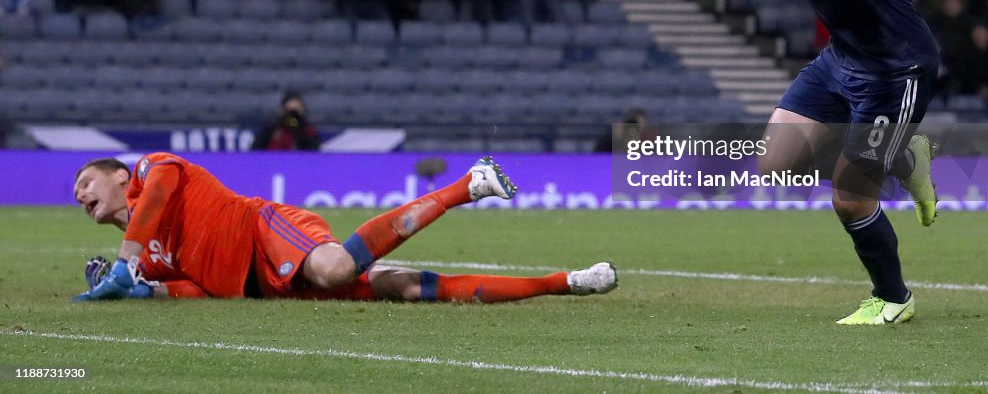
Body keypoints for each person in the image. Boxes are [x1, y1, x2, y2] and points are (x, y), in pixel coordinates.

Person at [597, 0, 940, 326]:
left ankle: (894, 298)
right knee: (774, 162)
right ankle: (902, 157)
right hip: (842, 59)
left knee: (848, 199)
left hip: (897, 71)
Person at [71, 154, 617, 302]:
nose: (81, 198)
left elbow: (158, 197)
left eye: (86, 185)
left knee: (334, 268)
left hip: (267, 230)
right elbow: (196, 285)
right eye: (76, 199)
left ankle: (468, 184)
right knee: (402, 288)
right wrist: (147, 289)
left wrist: (124, 262)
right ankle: (568, 281)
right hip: (266, 285)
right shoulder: (150, 257)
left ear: (118, 176)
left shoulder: (150, 170)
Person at [252, 92, 321, 152]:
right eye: (290, 111)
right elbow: (255, 151)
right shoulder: (271, 128)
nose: (293, 116)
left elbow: (313, 153)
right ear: (283, 111)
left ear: (302, 110)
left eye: (296, 111)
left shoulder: (308, 131)